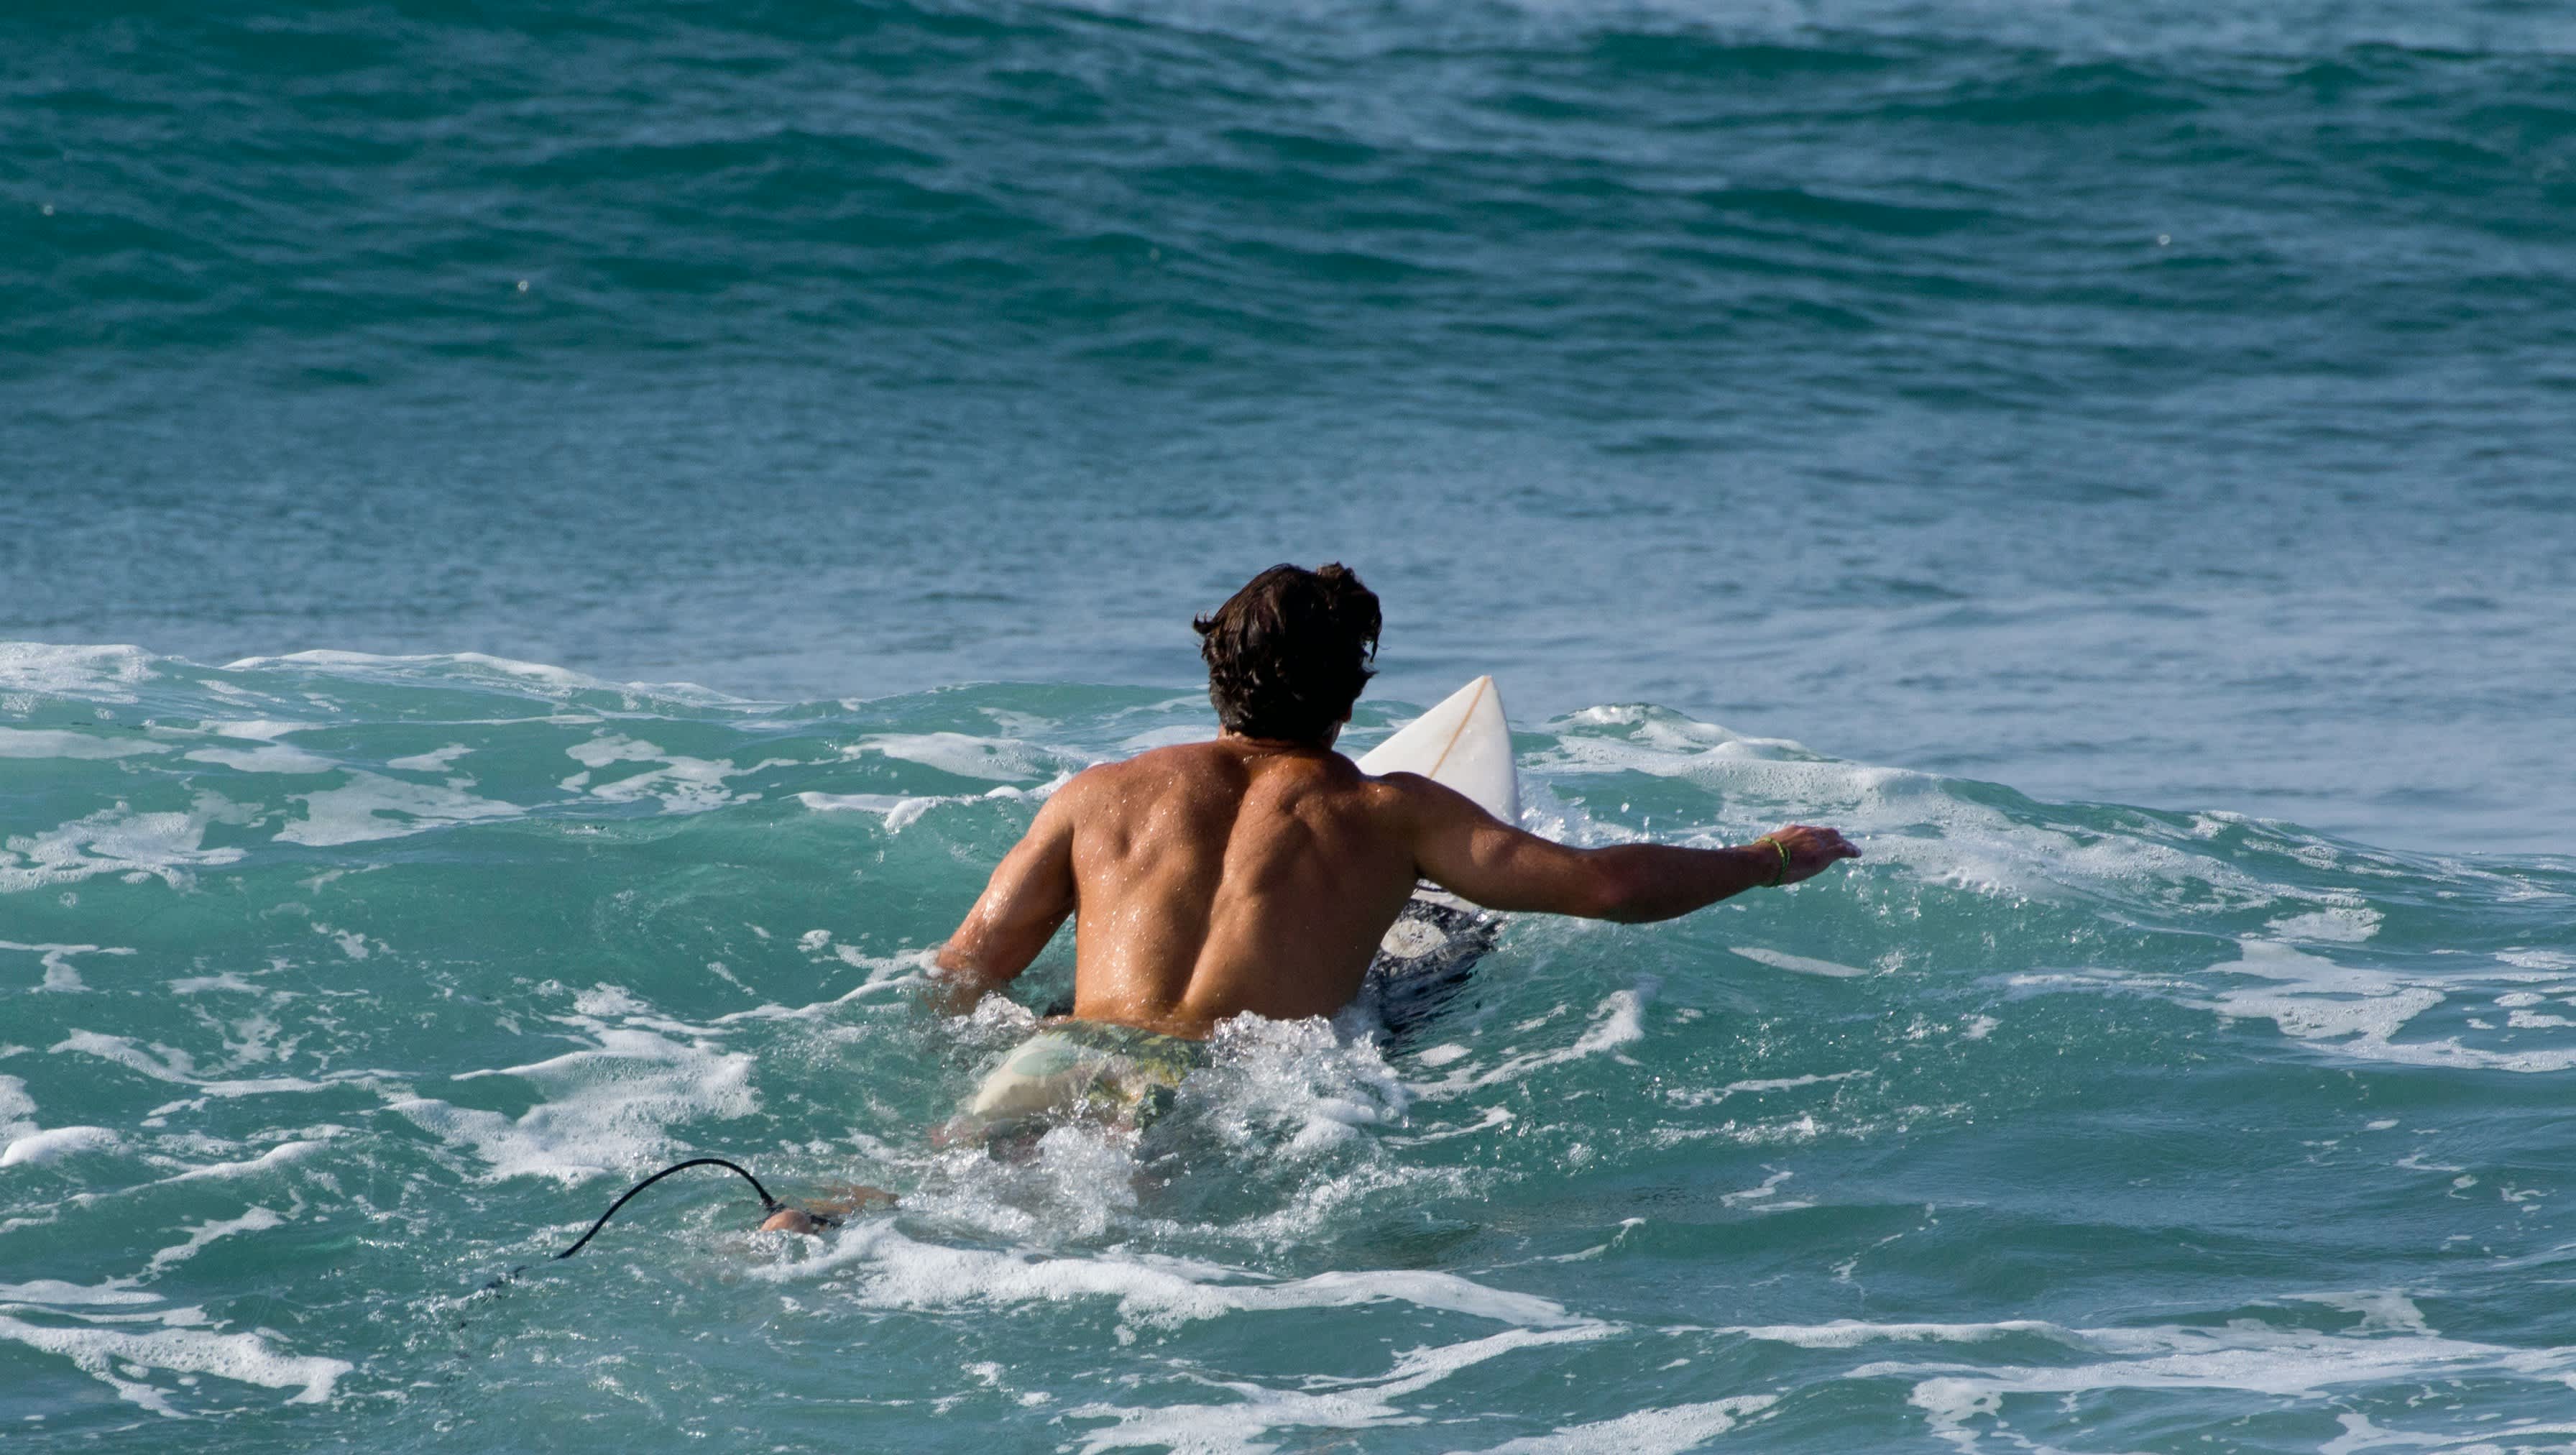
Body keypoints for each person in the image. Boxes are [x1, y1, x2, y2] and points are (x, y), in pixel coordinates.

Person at [760, 564, 1857, 1232]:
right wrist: (1766, 857)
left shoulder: (1098, 797)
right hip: (1225, 1079)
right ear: (1353, 691)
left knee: (945, 1197)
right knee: (1089, 1236)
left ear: (1215, 673)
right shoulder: (1389, 810)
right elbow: (1605, 885)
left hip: (1057, 1057)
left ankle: (811, 1221)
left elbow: (965, 969)